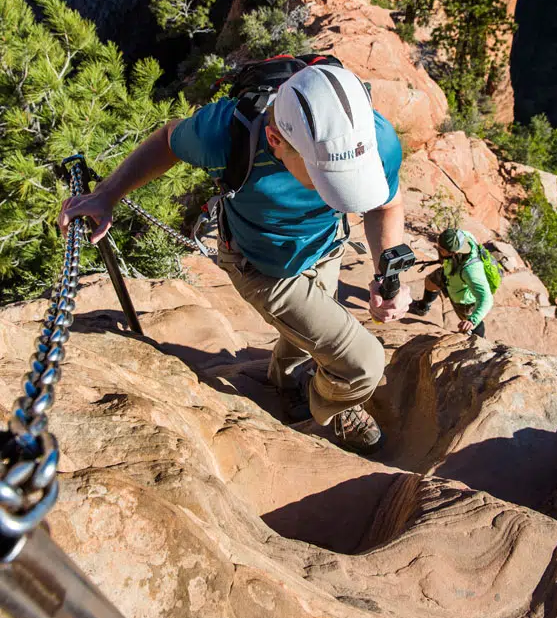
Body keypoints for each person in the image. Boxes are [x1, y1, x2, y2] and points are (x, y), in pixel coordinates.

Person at [59, 64, 411, 455]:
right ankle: (331, 406)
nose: (337, 192)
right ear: (276, 140)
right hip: (259, 264)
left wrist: (387, 267)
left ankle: (287, 379)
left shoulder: (374, 138)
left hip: (326, 246)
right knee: (361, 363)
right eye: (327, 177)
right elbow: (167, 140)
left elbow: (385, 205)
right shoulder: (225, 133)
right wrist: (107, 194)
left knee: (304, 334)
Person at [410, 228, 493, 337]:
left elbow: (486, 298)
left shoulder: (472, 270)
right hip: (450, 273)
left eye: (440, 249)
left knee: (468, 320)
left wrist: (472, 321)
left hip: (464, 299)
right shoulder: (462, 236)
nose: (437, 248)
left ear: (453, 252)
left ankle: (480, 340)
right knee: (430, 281)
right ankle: (423, 307)